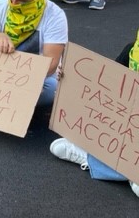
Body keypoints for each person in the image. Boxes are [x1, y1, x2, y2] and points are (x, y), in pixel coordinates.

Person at [49, 29, 139, 198]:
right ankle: (127, 172)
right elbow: (108, 87)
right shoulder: (131, 50)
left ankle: (92, 158)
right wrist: (68, 77)